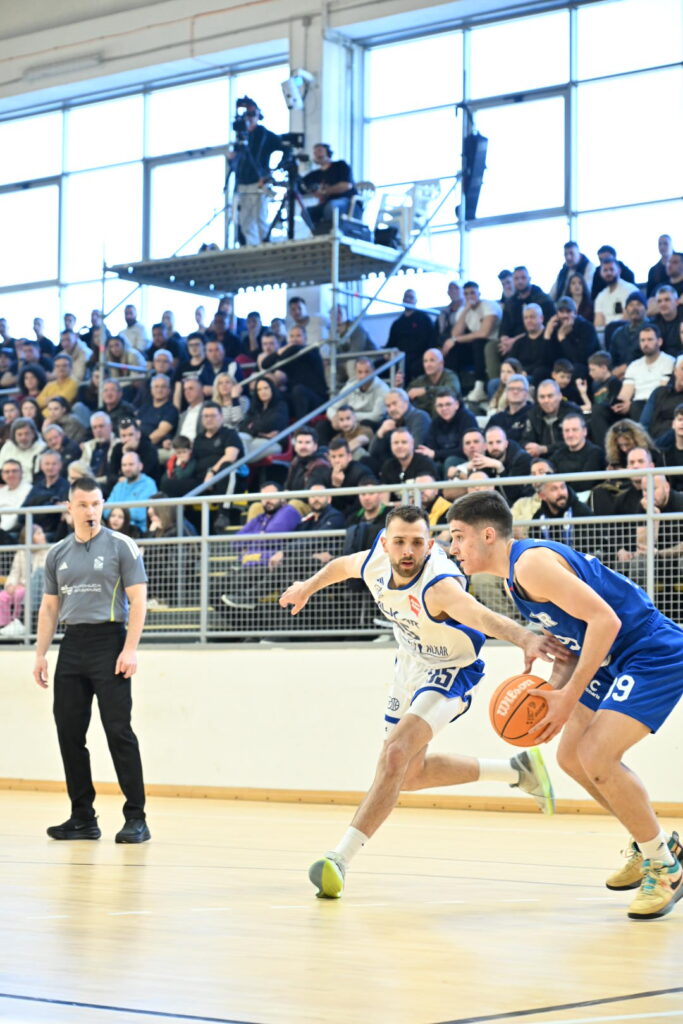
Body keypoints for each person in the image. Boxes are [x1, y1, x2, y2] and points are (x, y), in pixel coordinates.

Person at [279, 504, 559, 899]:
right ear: (385, 543)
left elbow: (479, 615)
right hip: (409, 665)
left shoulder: (439, 584)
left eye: (416, 542)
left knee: (394, 755)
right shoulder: (376, 561)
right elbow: (342, 566)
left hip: (451, 668)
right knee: (408, 775)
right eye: (399, 542)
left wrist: (525, 637)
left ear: (430, 545)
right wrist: (307, 587)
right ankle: (516, 770)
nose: (407, 551)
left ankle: (338, 859)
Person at [447, 490, 683, 920]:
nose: (453, 547)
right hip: (611, 656)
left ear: (487, 535)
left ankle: (665, 868)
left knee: (596, 754)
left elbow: (606, 620)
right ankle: (654, 843)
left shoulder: (531, 564)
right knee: (571, 757)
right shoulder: (513, 580)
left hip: (649, 649)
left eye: (458, 536)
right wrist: (550, 691)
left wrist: (568, 696)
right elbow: (572, 649)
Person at [34, 476, 150, 844]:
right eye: (83, 504)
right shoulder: (57, 553)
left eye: (96, 504)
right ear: (69, 508)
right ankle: (82, 817)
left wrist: (130, 649)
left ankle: (136, 817)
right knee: (69, 733)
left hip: (109, 642)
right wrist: (40, 654)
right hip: (72, 645)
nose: (91, 511)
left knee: (118, 731)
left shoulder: (121, 545)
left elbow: (139, 600)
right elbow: (49, 608)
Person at [228, 98, 283, 246]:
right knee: (245, 222)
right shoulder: (241, 137)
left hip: (259, 182)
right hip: (242, 183)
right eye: (247, 114)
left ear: (258, 115)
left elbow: (284, 146)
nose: (249, 118)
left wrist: (275, 169)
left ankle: (266, 247)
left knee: (260, 218)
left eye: (252, 114)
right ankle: (251, 247)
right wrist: (232, 159)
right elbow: (236, 161)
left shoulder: (264, 134)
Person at [442, 280, 501, 402]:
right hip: (476, 343)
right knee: (454, 348)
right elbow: (455, 333)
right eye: (466, 294)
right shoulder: (463, 310)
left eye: (472, 293)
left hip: (493, 342)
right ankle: (454, 389)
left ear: (479, 293)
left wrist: (454, 339)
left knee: (478, 342)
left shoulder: (489, 306)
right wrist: (466, 310)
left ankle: (480, 387)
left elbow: (484, 333)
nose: (469, 296)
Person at [0, 523, 48, 639]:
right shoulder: (21, 553)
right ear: (30, 537)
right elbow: (14, 572)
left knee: (19, 593)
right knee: (2, 596)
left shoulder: (47, 551)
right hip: (19, 585)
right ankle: (4, 625)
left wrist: (24, 585)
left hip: (35, 588)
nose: (43, 536)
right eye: (39, 533)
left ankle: (18, 623)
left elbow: (39, 574)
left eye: (42, 533)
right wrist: (10, 584)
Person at [301, 143, 357, 231]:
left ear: (328, 152)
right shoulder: (315, 174)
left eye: (320, 151)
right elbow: (301, 184)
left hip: (347, 202)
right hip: (327, 204)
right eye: (315, 152)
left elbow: (346, 185)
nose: (317, 154)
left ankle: (333, 232)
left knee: (331, 207)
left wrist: (325, 191)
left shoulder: (340, 165)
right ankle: (319, 233)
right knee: (306, 213)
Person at [387, 289, 435, 383]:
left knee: (411, 367)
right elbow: (390, 344)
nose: (408, 300)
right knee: (378, 365)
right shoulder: (397, 323)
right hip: (399, 357)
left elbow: (431, 341)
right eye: (406, 297)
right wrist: (387, 353)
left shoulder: (424, 319)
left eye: (411, 297)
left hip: (419, 356)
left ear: (416, 300)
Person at [106, 452, 158, 534]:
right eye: (124, 465)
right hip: (114, 531)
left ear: (140, 466)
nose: (127, 468)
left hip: (137, 533)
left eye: (131, 464)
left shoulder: (149, 484)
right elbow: (105, 510)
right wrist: (121, 515)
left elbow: (140, 514)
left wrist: (115, 514)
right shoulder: (119, 485)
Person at [402, 348, 460, 414]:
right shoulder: (420, 381)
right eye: (425, 361)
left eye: (432, 360)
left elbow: (452, 390)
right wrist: (399, 385)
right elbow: (406, 394)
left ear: (441, 363)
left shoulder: (450, 376)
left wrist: (426, 390)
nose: (428, 365)